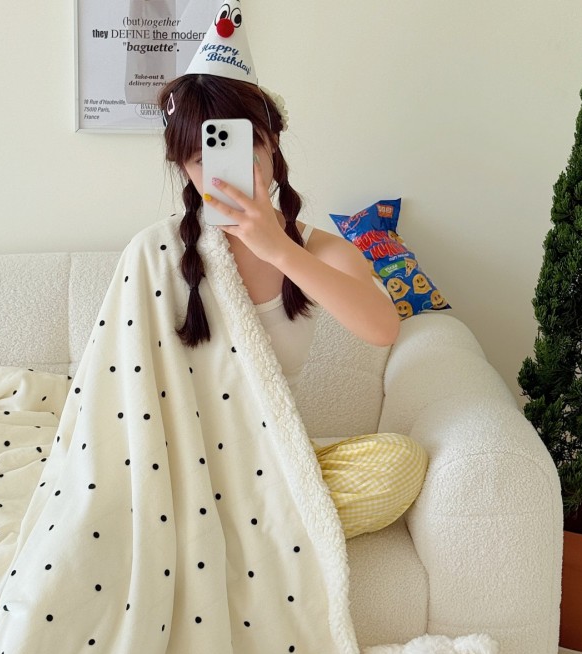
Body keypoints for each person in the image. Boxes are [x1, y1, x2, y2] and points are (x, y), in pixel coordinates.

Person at [156, 10, 427, 539]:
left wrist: (280, 249)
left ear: (270, 142)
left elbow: (382, 328)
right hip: (174, 463)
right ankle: (238, 532)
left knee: (400, 462)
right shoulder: (161, 252)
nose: (222, 170)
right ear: (184, 169)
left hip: (271, 466)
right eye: (199, 159)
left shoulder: (317, 250)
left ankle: (232, 531)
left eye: (241, 146)